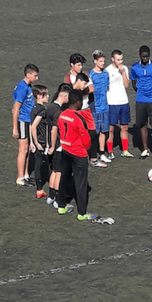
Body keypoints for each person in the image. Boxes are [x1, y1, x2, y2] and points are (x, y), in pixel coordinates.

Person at [56, 89, 92, 219]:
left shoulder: (62, 114)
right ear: (77, 103)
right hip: (78, 154)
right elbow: (86, 139)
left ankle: (61, 206)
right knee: (81, 183)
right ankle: (82, 213)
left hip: (65, 150)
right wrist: (87, 149)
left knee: (64, 178)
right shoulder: (79, 119)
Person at [130, 45, 152, 160]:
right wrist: (141, 92)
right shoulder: (134, 68)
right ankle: (144, 150)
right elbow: (133, 83)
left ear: (149, 55)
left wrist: (150, 90)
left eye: (146, 56)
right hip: (140, 100)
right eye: (143, 56)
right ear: (139, 55)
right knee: (142, 125)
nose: (144, 58)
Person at [71, 72, 107, 168]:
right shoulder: (69, 85)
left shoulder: (84, 77)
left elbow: (92, 89)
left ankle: (94, 159)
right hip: (77, 112)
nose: (85, 86)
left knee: (93, 134)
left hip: (86, 110)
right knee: (77, 135)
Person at [46, 82, 72, 208]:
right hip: (59, 146)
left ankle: (51, 196)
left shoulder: (50, 107)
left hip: (52, 146)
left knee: (54, 170)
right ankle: (57, 198)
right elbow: (54, 130)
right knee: (59, 172)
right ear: (64, 96)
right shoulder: (58, 112)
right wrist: (53, 145)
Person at [12, 63, 39, 187]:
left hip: (28, 121)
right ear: (28, 75)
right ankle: (20, 178)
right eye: (35, 75)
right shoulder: (22, 88)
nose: (36, 78)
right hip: (23, 121)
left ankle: (26, 175)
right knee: (23, 150)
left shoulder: (28, 86)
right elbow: (15, 109)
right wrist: (15, 128)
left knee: (28, 149)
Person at [105, 49, 132, 157]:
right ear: (112, 59)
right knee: (110, 129)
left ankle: (125, 150)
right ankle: (110, 151)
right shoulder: (107, 71)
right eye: (118, 60)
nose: (120, 62)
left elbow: (126, 85)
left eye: (121, 59)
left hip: (124, 102)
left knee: (124, 127)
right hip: (112, 103)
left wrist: (123, 72)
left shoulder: (124, 68)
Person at [88, 50, 112, 161]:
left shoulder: (106, 74)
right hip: (95, 108)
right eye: (100, 61)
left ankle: (102, 153)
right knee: (94, 133)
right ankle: (92, 153)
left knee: (104, 131)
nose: (102, 63)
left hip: (105, 107)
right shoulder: (91, 75)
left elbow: (107, 88)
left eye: (103, 61)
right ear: (95, 61)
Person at [28, 85, 51, 199]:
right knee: (48, 165)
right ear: (40, 96)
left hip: (36, 141)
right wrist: (37, 143)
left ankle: (39, 190)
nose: (48, 97)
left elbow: (30, 125)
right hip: (41, 141)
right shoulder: (42, 110)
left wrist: (31, 142)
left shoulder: (34, 108)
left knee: (37, 165)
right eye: (46, 95)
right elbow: (34, 126)